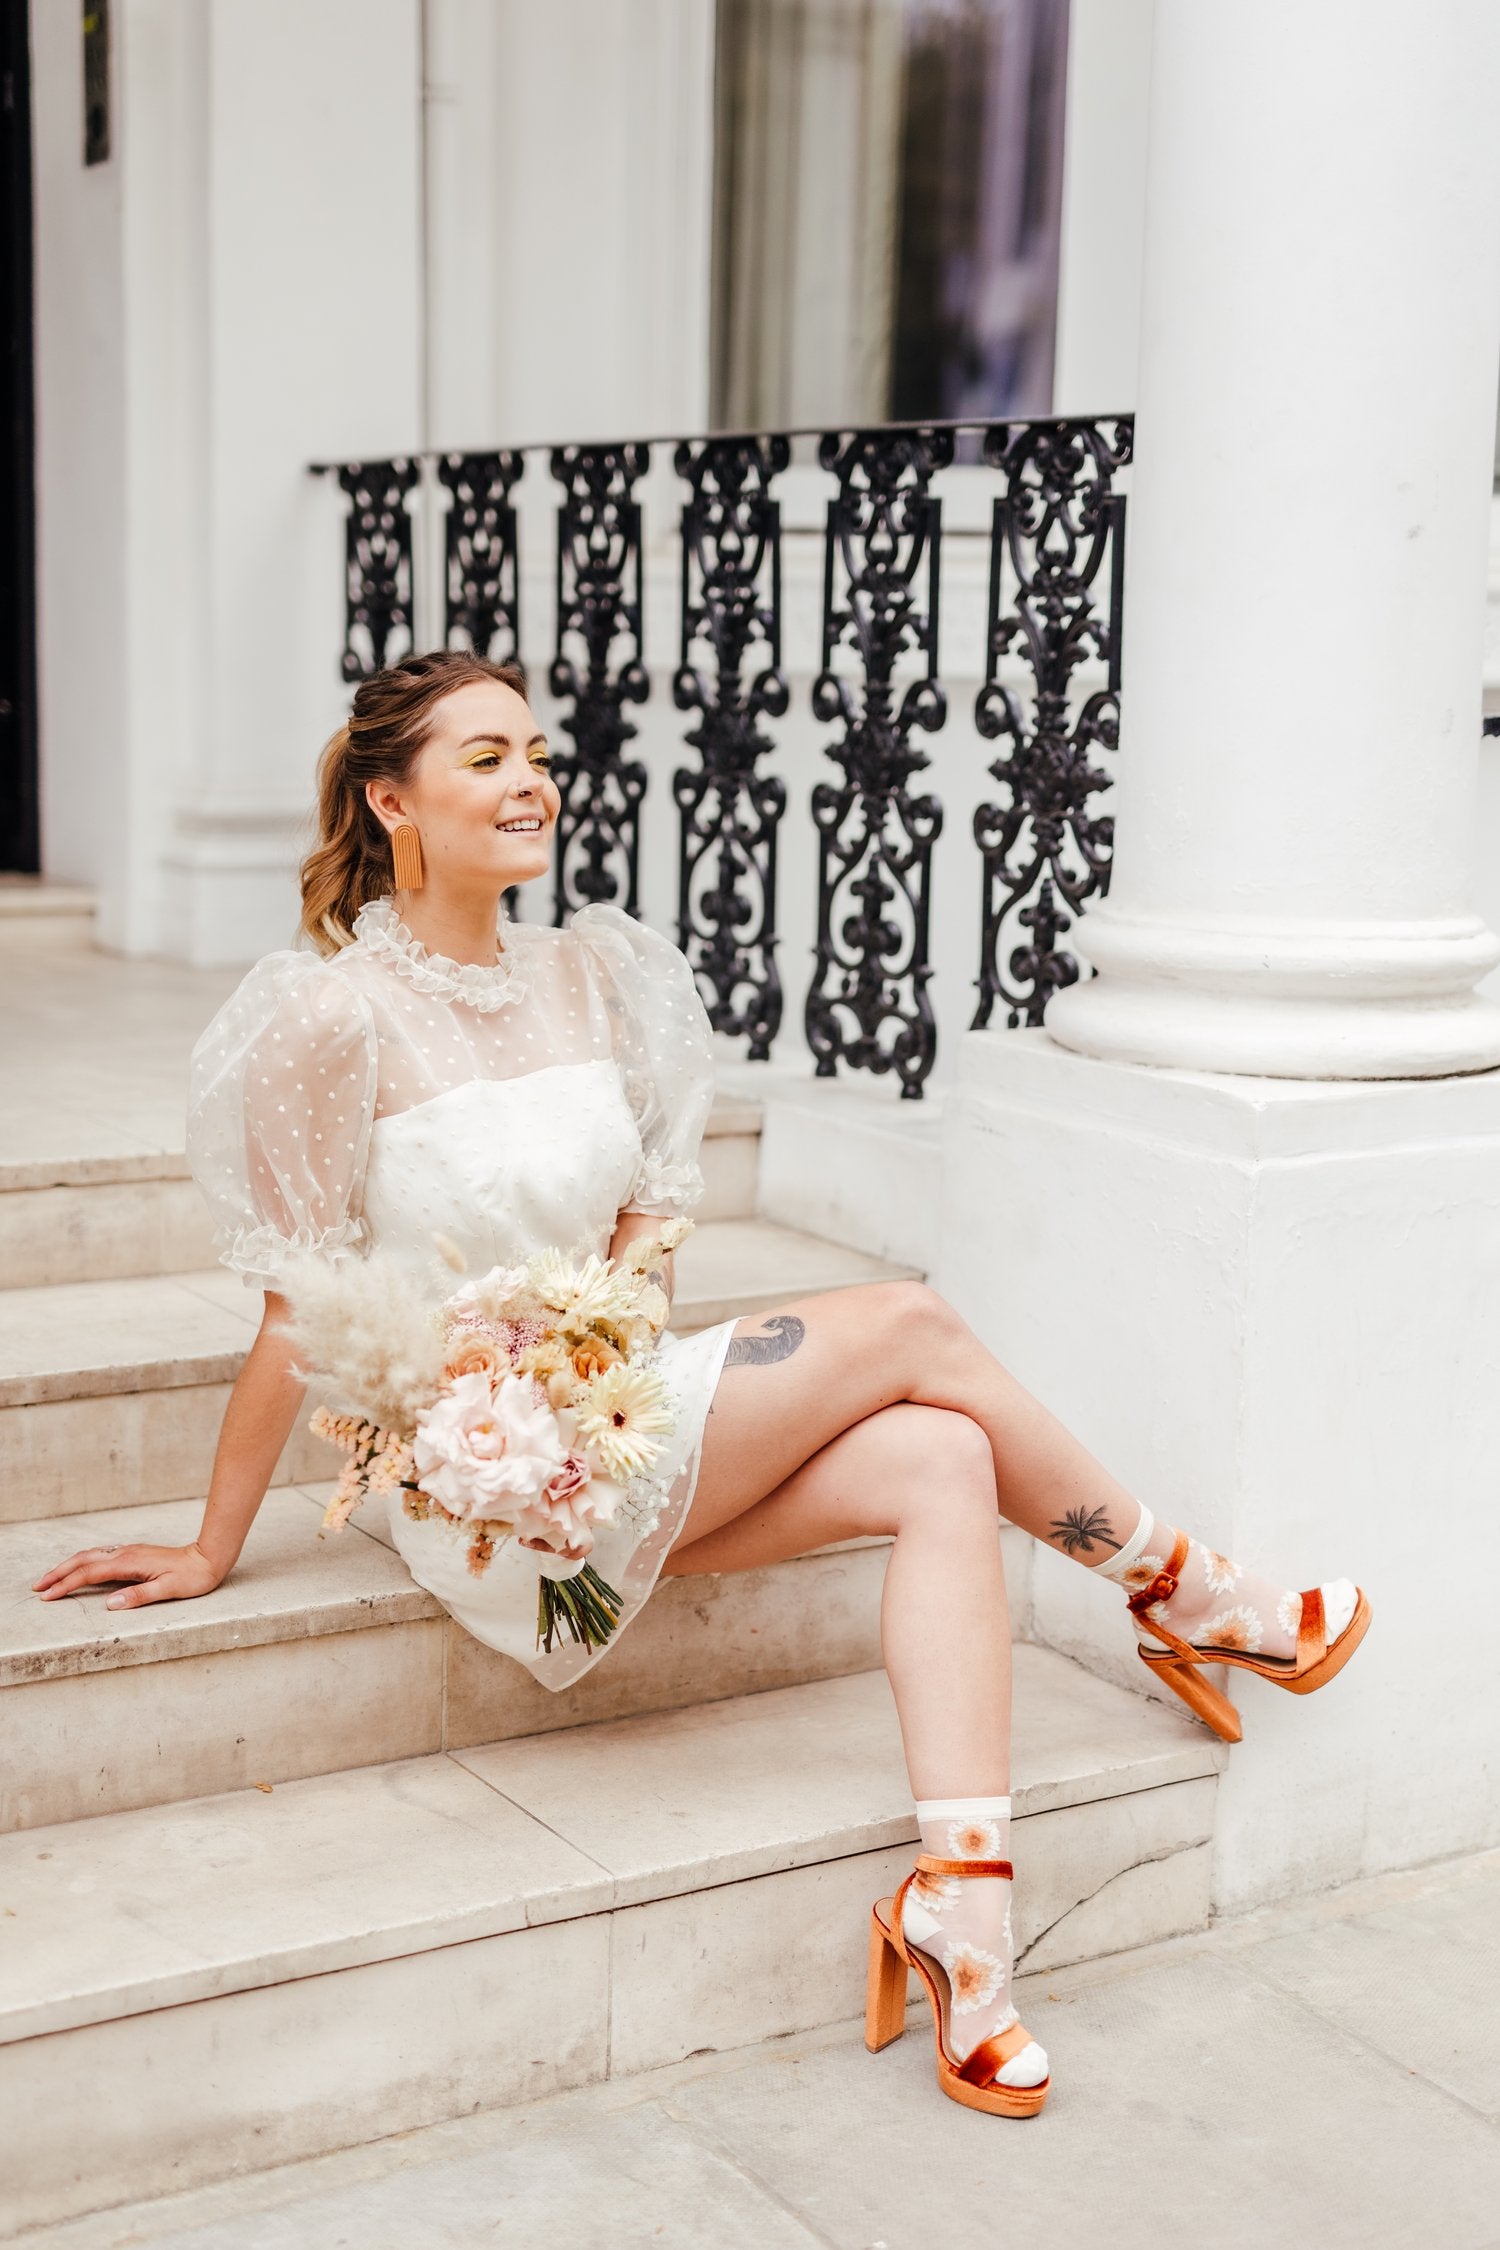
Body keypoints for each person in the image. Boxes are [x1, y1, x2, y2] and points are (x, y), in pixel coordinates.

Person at [34, 649, 1369, 2119]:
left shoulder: (598, 974)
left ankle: (965, 1917)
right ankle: (1186, 1591)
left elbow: (645, 1231)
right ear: (388, 797)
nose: (531, 778)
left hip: (616, 1425)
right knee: (915, 1321)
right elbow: (302, 1311)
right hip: (488, 1497)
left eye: (535, 750)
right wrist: (214, 1542)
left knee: (939, 1460)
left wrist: (613, 1375)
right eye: (483, 756)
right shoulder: (330, 1019)